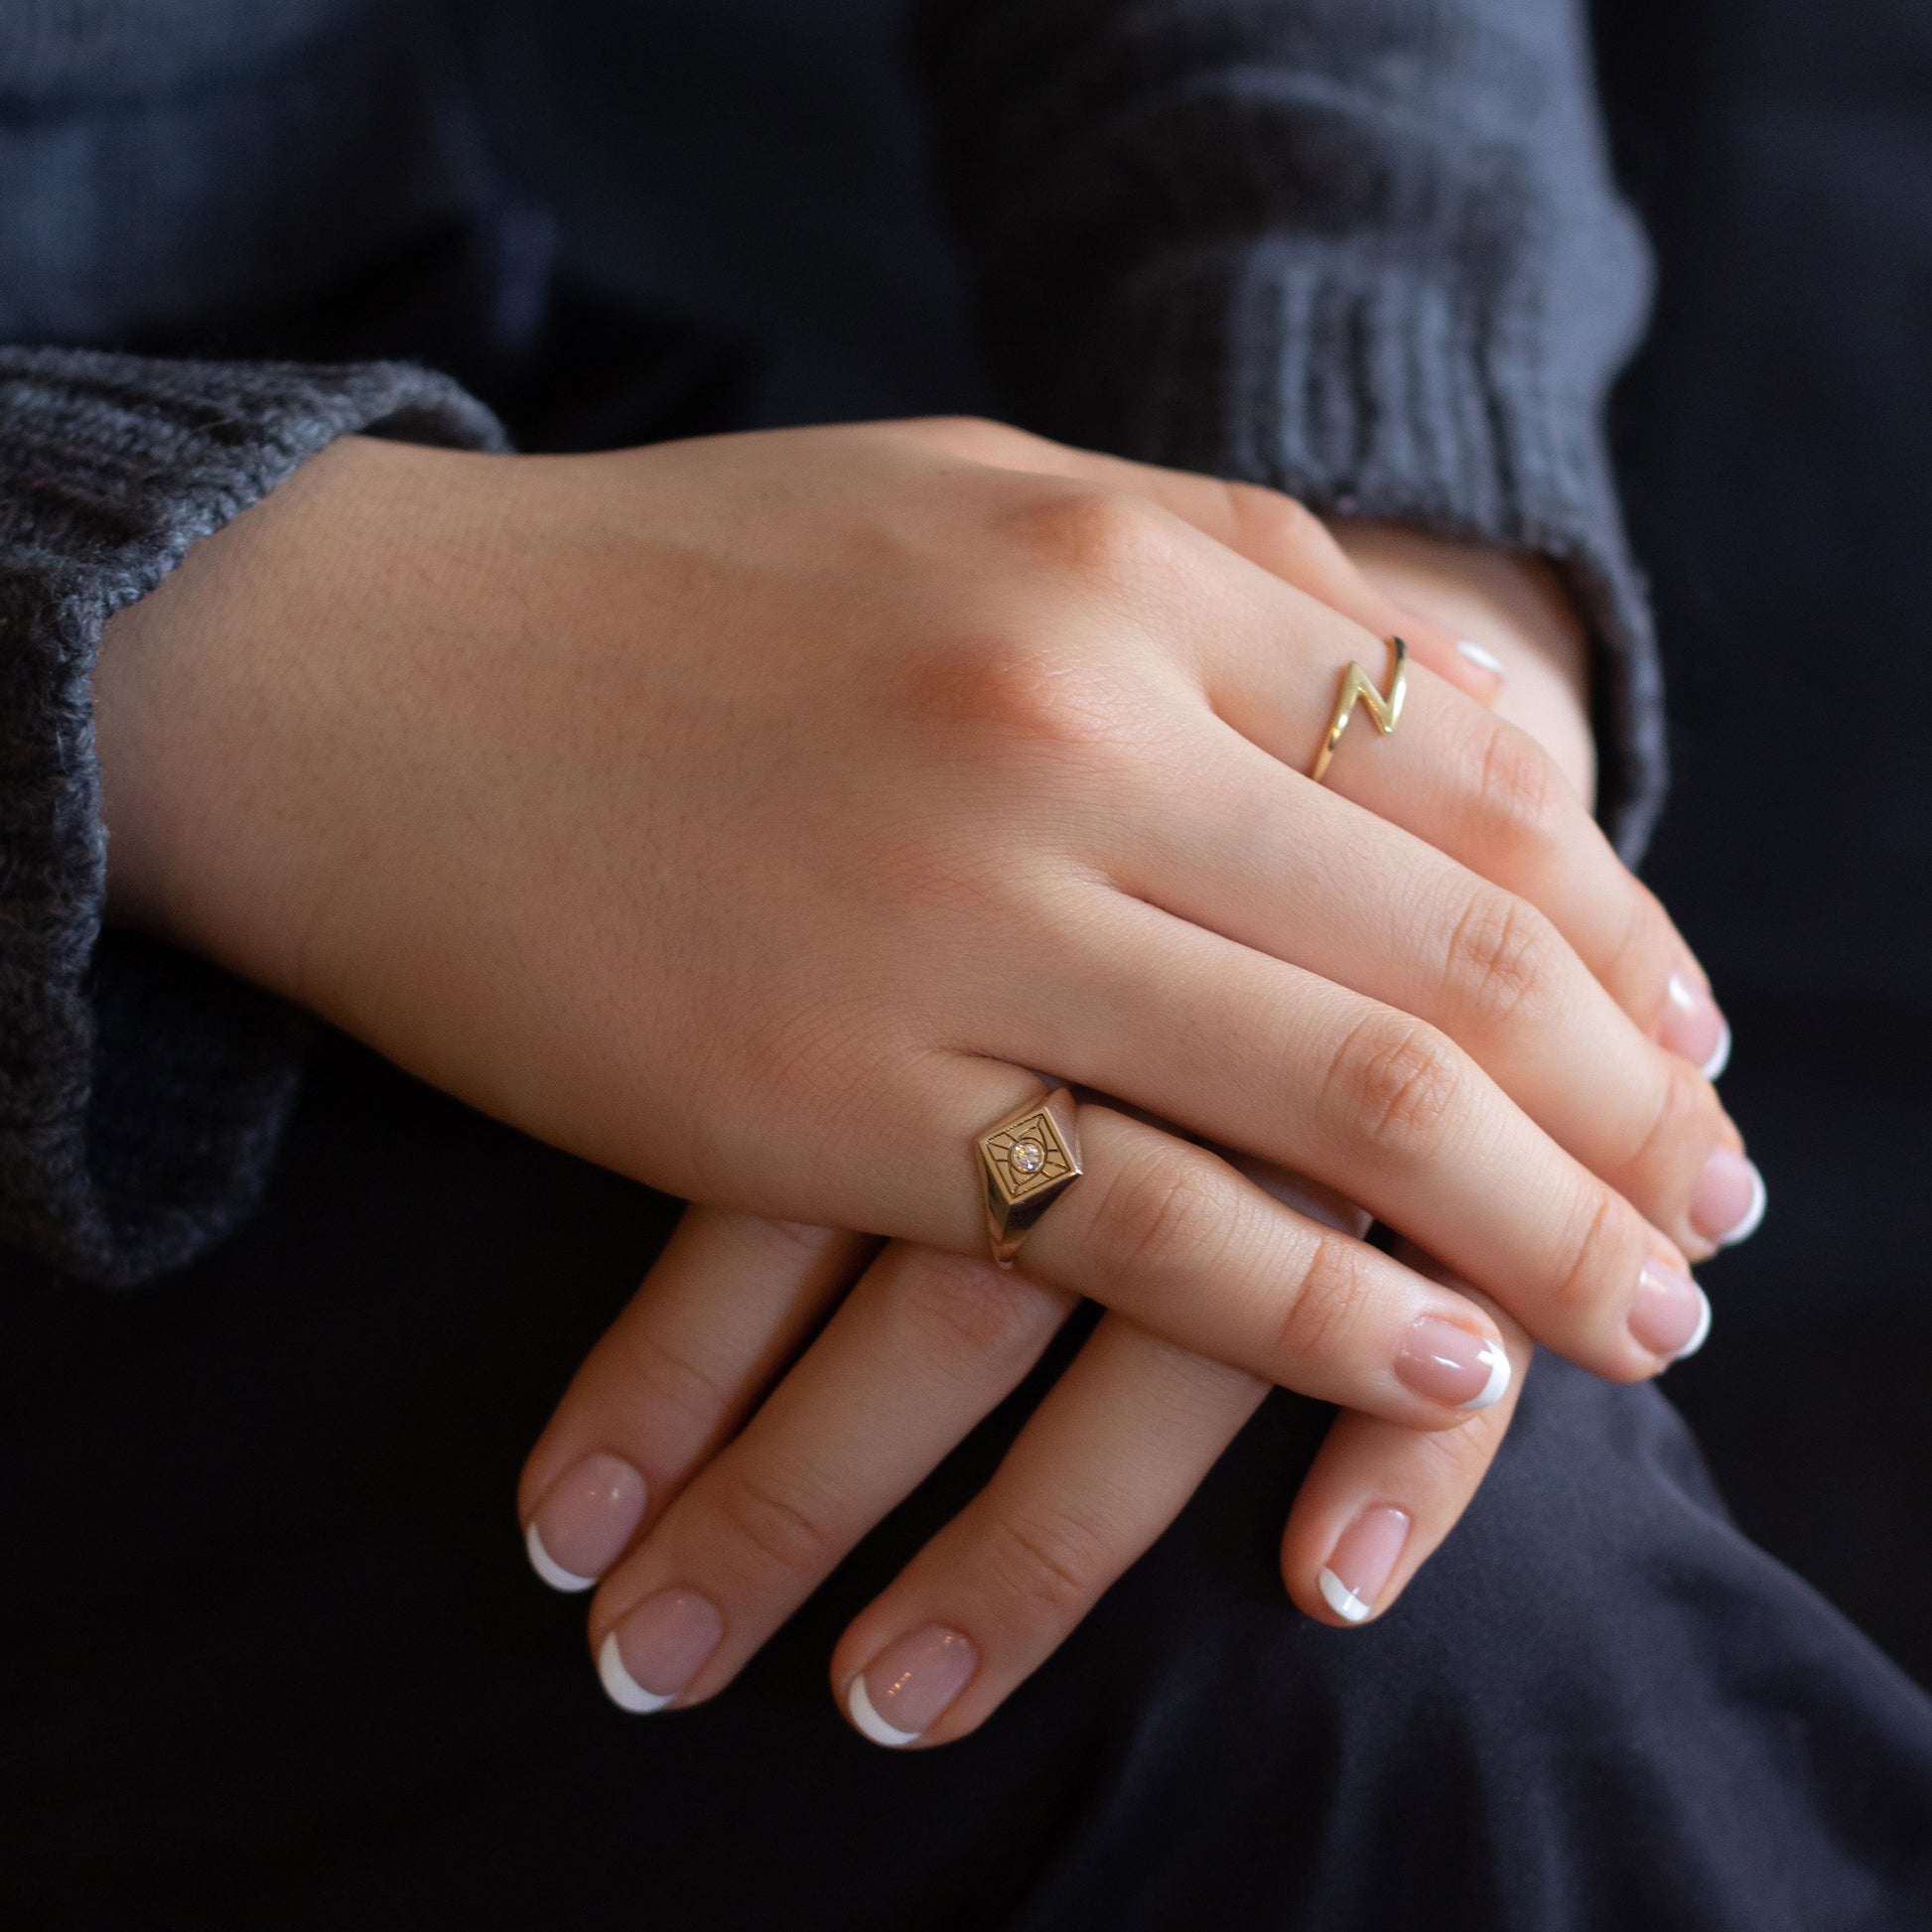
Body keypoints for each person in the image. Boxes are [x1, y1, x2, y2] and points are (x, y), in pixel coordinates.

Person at [2, 2, 1928, 1927]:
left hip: (508, 482)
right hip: (273, 754)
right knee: (1341, 1629)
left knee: (1323, 1383)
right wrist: (193, 651)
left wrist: (1376, 626)